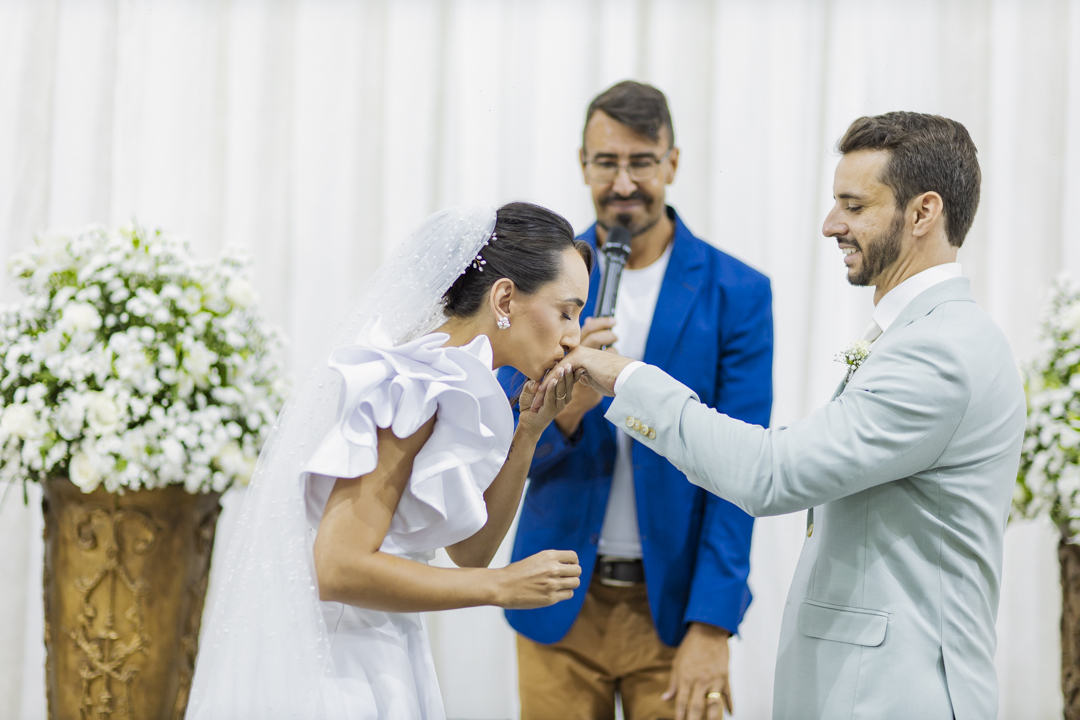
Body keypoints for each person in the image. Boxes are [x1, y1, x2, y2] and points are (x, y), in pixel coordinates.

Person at [542, 112, 1026, 720]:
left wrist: (623, 379)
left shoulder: (941, 351)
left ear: (923, 213)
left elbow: (771, 474)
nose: (831, 225)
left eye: (853, 205)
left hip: (894, 693)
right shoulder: (924, 335)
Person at [187, 203, 593, 719]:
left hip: (386, 644)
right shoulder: (414, 383)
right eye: (566, 311)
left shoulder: (453, 380)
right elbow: (337, 566)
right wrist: (501, 588)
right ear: (505, 297)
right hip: (341, 664)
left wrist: (529, 435)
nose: (574, 336)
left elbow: (470, 552)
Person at [500, 81, 773, 720]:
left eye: (642, 162)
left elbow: (746, 468)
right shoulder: (542, 282)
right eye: (606, 162)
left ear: (672, 163)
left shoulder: (738, 292)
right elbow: (503, 449)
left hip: (675, 611)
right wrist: (565, 407)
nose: (623, 182)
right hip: (556, 602)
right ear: (583, 164)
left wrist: (713, 625)